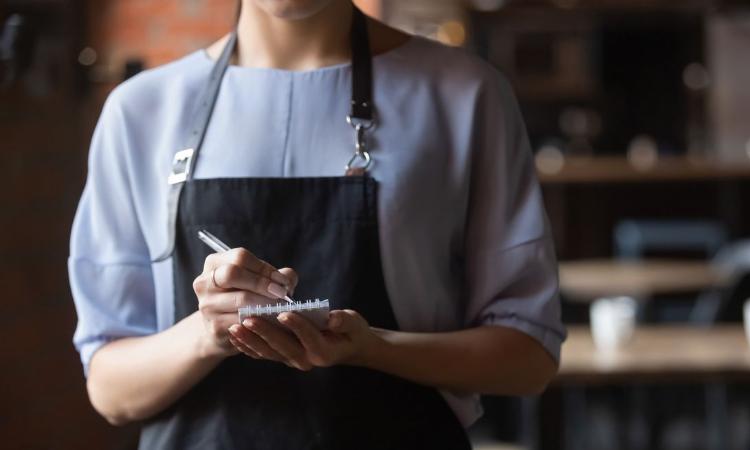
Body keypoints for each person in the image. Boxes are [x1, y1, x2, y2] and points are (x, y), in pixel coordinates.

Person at [68, 0, 566, 448]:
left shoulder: (464, 95)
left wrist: (376, 348)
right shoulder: (140, 111)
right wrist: (206, 333)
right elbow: (112, 391)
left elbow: (528, 358)